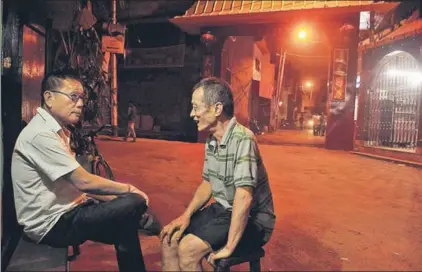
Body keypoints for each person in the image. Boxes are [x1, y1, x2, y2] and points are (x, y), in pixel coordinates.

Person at [11, 70, 158, 272]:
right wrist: (129, 190)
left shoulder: (57, 131)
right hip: (52, 225)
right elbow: (84, 182)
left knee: (125, 225)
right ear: (49, 97)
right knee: (135, 201)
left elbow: (79, 188)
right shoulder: (40, 135)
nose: (80, 104)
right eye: (73, 97)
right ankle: (141, 219)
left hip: (69, 212)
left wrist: (117, 201)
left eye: (81, 98)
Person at [160, 77, 275, 271]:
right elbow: (208, 183)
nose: (192, 114)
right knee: (169, 238)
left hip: (255, 220)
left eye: (196, 108)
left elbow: (244, 196)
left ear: (217, 109)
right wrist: (186, 215)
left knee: (188, 250)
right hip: (223, 210)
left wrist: (230, 246)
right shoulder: (212, 139)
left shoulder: (243, 139)